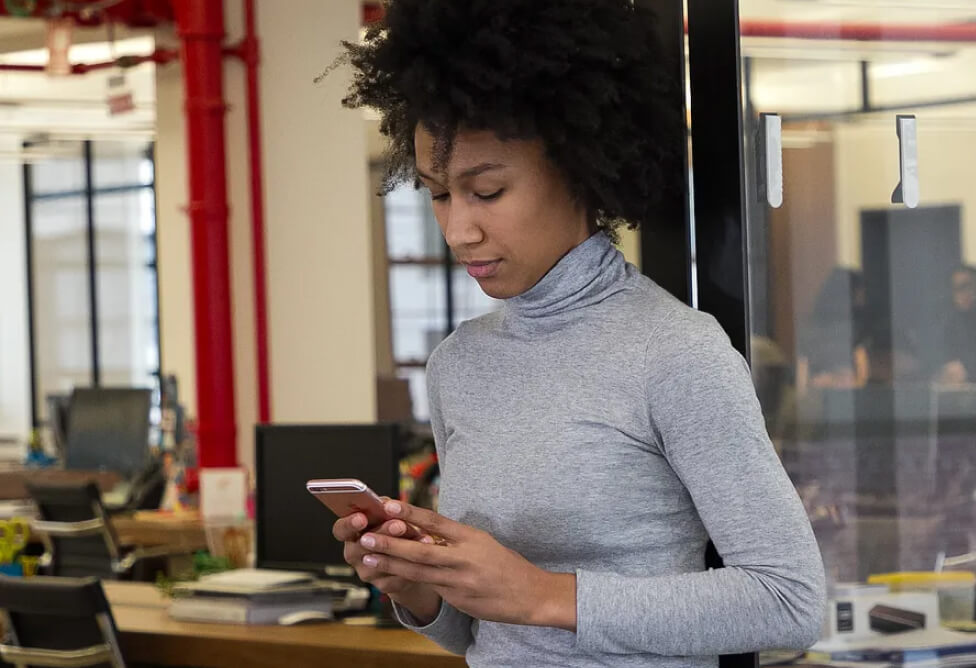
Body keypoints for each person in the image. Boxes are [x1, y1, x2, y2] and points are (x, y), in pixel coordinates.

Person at [328, 2, 825, 665]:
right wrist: (420, 589)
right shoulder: (459, 365)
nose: (458, 230)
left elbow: (789, 600)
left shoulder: (678, 353)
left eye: (488, 191)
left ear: (579, 168)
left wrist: (542, 593)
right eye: (440, 194)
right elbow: (478, 630)